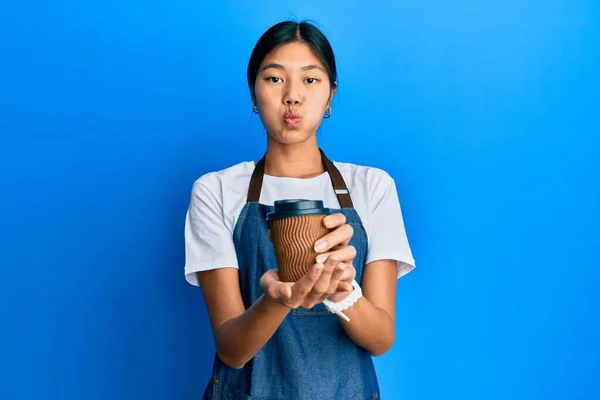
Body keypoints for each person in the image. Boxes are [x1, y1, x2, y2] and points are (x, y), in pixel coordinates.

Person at [184, 20, 416, 400]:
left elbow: (379, 338)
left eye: (310, 80)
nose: (292, 96)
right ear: (254, 94)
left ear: (330, 96)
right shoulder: (216, 191)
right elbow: (232, 348)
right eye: (274, 79)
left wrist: (342, 291)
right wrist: (278, 299)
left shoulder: (372, 187)